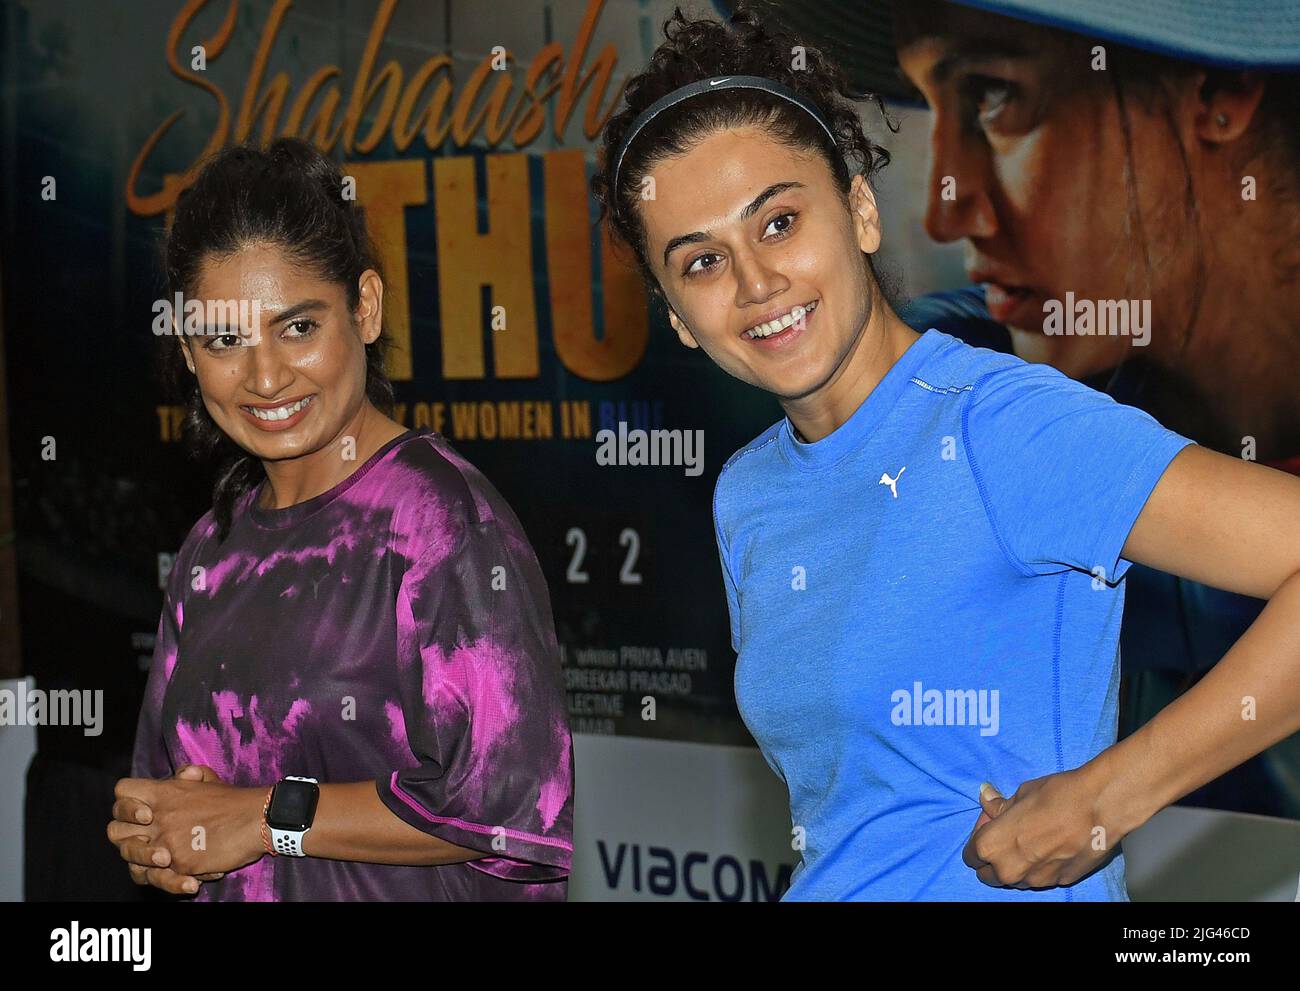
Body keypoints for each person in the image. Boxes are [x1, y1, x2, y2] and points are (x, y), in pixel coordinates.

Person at [589, 4, 1300, 900]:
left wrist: (1111, 795)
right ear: (678, 321)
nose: (756, 284)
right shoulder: (748, 492)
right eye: (700, 262)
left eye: (777, 222)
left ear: (859, 211)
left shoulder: (1002, 426)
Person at [106, 137, 573, 901]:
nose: (264, 376)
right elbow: (174, 799)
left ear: (365, 307)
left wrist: (266, 817)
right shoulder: (208, 550)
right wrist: (157, 839)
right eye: (225, 339)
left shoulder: (441, 522)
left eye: (297, 327)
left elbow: (509, 811)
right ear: (190, 353)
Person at [880, 0, 1300, 819]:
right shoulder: (957, 392)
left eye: (996, 98)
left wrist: (1103, 802)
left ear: (1218, 90)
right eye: (928, 109)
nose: (946, 208)